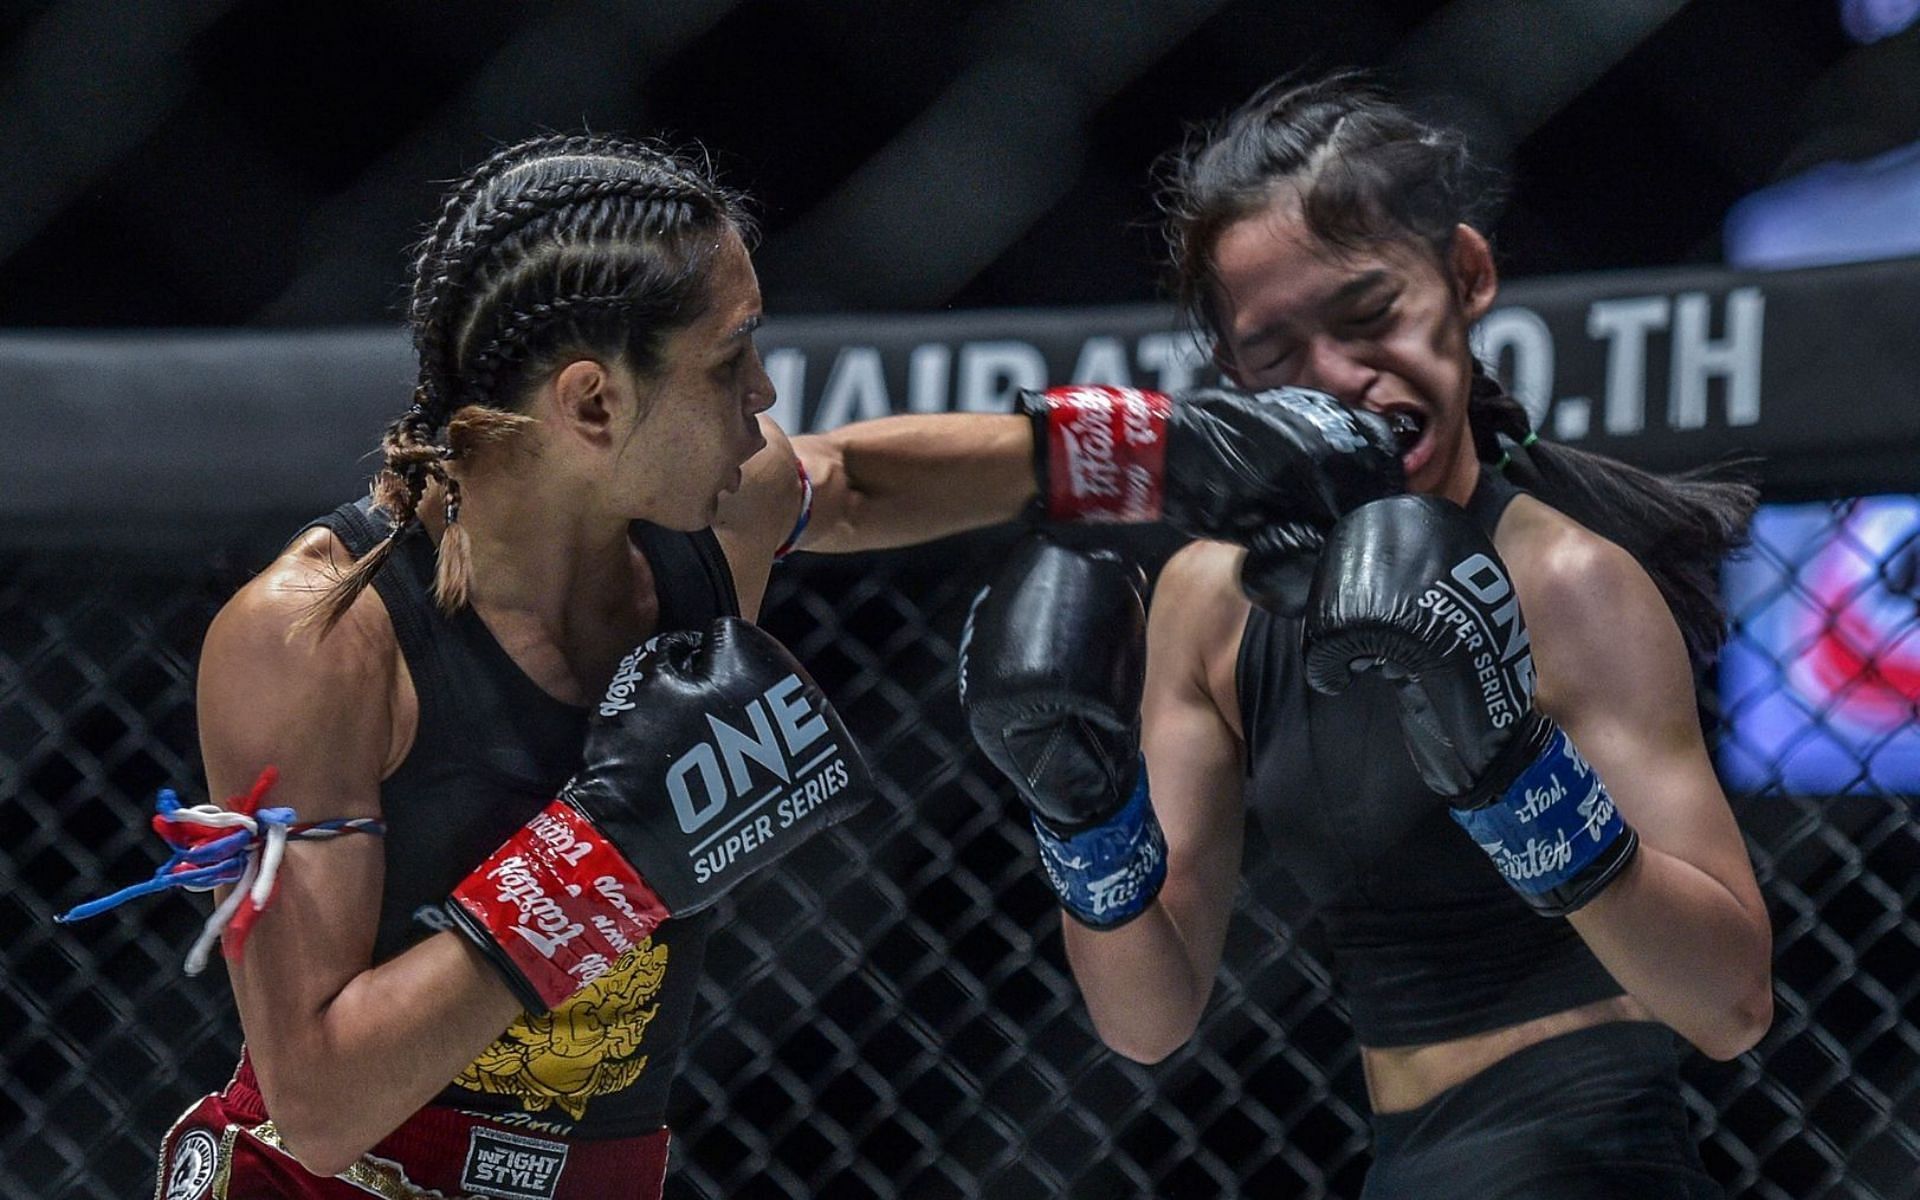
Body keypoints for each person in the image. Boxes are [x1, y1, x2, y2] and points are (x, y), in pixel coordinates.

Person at [81, 132, 1415, 1199]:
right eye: (730, 363)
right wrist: (601, 862)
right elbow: (315, 1106)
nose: (767, 398)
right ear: (595, 405)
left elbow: (850, 482)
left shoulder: (715, 516)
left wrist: (1177, 448)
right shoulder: (317, 642)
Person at [961, 73, 1773, 1198]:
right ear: (1232, 377)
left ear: (1468, 279)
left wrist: (1512, 774)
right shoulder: (1211, 604)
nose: (1341, 380)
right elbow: (1145, 1018)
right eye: (1278, 353)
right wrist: (1080, 814)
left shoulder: (1568, 580)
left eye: (1370, 316)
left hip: (1595, 1166)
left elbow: (1730, 1003)